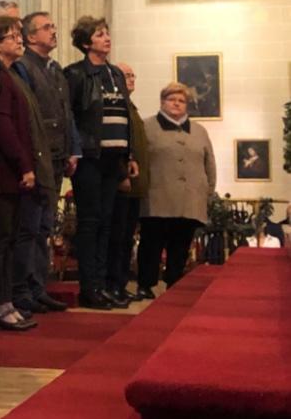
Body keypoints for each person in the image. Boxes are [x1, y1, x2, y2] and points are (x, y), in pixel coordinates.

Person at [64, 17, 138, 310]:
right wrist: (74, 150)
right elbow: (70, 116)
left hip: (114, 157)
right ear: (86, 43)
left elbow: (126, 115)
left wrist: (129, 155)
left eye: (107, 33)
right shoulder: (76, 73)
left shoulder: (115, 74)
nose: (106, 38)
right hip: (90, 156)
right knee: (90, 222)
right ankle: (89, 287)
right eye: (99, 34)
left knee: (108, 223)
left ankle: (104, 284)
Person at [11, 12, 78, 314]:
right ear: (30, 36)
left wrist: (73, 149)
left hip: (56, 157)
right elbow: (28, 115)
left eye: (53, 26)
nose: (54, 31)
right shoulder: (24, 67)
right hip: (38, 156)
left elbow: (66, 113)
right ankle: (22, 290)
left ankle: (39, 287)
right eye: (46, 27)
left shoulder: (55, 70)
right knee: (29, 227)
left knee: (44, 227)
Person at [0, 16, 43, 332]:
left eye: (19, 35)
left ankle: (5, 300)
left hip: (11, 173)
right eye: (12, 36)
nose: (19, 40)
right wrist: (24, 165)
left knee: (8, 241)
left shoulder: (8, 76)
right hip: (4, 172)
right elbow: (2, 125)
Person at [136, 83, 216, 297]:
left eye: (181, 101)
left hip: (190, 198)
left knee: (181, 244)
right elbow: (138, 159)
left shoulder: (199, 131)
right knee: (151, 243)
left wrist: (208, 191)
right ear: (162, 102)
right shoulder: (146, 127)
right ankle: (146, 284)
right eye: (172, 99)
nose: (177, 104)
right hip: (156, 197)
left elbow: (209, 163)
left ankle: (174, 282)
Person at [106, 63, 149, 302]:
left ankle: (121, 284)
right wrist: (122, 173)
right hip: (121, 183)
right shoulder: (117, 106)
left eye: (133, 75)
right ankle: (113, 284)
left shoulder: (130, 106)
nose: (131, 79)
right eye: (126, 75)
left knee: (126, 237)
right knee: (117, 237)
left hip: (134, 185)